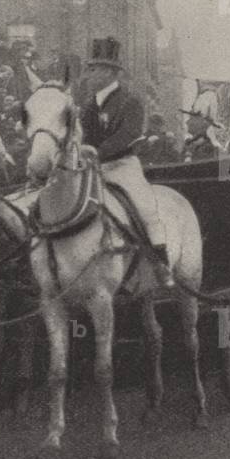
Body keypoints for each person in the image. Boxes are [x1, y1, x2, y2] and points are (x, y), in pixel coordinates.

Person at [80, 37, 173, 287]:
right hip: (93, 167)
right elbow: (84, 134)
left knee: (146, 209)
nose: (89, 75)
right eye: (90, 69)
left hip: (123, 166)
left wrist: (97, 152)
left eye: (94, 69)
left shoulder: (131, 101)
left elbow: (128, 134)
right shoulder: (89, 105)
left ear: (110, 72)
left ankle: (161, 262)